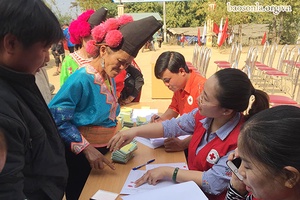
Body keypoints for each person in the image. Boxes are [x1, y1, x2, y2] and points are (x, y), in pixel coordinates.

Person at [108, 68, 269, 200]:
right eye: (202, 92)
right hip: (187, 189)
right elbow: (171, 127)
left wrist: (168, 172)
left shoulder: (240, 142)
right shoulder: (203, 116)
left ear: (226, 110)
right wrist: (134, 132)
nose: (199, 98)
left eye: (205, 97)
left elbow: (213, 182)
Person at [48, 15, 162, 200]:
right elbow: (56, 116)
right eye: (120, 61)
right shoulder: (82, 78)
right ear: (103, 50)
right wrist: (86, 149)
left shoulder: (108, 76)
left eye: (127, 63)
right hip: (82, 157)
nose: (123, 68)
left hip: (103, 152)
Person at [0, 0, 68, 199]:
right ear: (11, 43)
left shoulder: (20, 80)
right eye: (44, 49)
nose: (47, 59)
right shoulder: (3, 110)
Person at [226, 105, 300, 200]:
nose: (240, 172)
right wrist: (237, 189)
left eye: (247, 166)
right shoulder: (264, 194)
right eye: (241, 160)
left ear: (289, 176)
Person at [150, 51, 206, 154]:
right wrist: (161, 119)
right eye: (163, 81)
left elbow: (207, 129)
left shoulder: (202, 89)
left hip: (198, 147)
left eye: (167, 80)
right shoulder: (179, 87)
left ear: (181, 71)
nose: (166, 84)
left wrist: (183, 144)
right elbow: (173, 109)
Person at [60, 8, 107, 86]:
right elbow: (64, 90)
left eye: (99, 38)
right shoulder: (69, 61)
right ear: (81, 36)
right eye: (90, 37)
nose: (95, 41)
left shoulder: (104, 58)